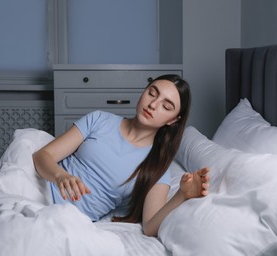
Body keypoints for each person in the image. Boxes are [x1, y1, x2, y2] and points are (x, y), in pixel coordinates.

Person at [33, 74, 210, 237]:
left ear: (172, 120)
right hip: (38, 193)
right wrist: (60, 176)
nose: (153, 105)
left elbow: (150, 226)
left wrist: (182, 195)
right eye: (152, 93)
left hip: (67, 221)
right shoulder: (99, 120)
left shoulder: (157, 166)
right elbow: (43, 155)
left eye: (166, 106)